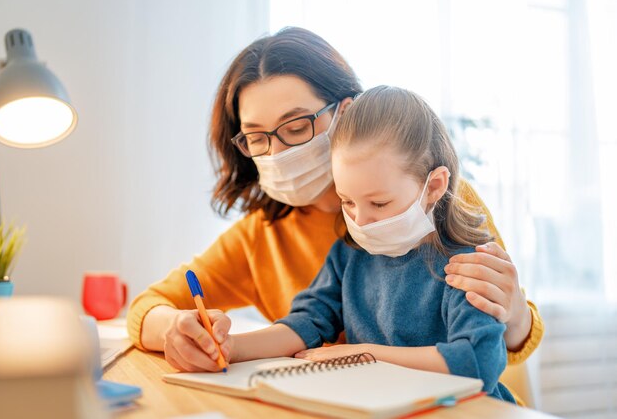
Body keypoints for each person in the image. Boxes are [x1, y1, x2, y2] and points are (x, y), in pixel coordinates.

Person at [127, 27, 543, 389]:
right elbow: (153, 306)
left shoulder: (443, 209)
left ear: (344, 113)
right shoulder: (306, 242)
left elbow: (492, 353)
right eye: (256, 137)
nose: (277, 152)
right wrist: (199, 339)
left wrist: (516, 314)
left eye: (295, 127)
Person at [194, 85, 516, 402]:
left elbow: (478, 361)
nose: (360, 221)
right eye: (347, 202)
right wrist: (230, 347)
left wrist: (365, 355)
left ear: (433, 187)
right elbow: (305, 323)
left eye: (378, 204)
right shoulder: (349, 256)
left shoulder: (466, 264)